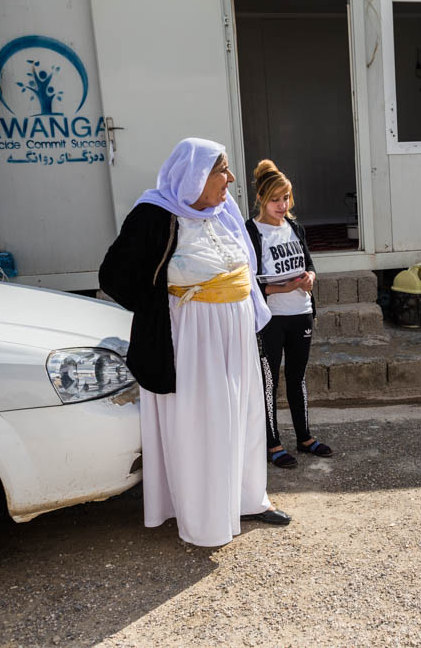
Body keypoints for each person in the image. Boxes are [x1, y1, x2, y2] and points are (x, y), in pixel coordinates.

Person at [99, 137, 290, 547]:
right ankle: (205, 519)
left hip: (236, 335)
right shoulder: (154, 214)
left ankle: (246, 499)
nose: (231, 178)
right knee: (205, 423)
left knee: (244, 415)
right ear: (195, 176)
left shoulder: (225, 210)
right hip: (192, 340)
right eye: (222, 170)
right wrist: (164, 308)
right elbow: (115, 277)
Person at [245, 159, 332, 469]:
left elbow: (309, 263)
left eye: (286, 198)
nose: (282, 205)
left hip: (301, 313)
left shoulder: (294, 227)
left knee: (297, 378)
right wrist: (282, 288)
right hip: (271, 319)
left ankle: (305, 438)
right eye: (275, 199)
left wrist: (310, 278)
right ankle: (273, 444)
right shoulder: (250, 231)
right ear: (261, 198)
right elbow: (248, 281)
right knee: (269, 383)